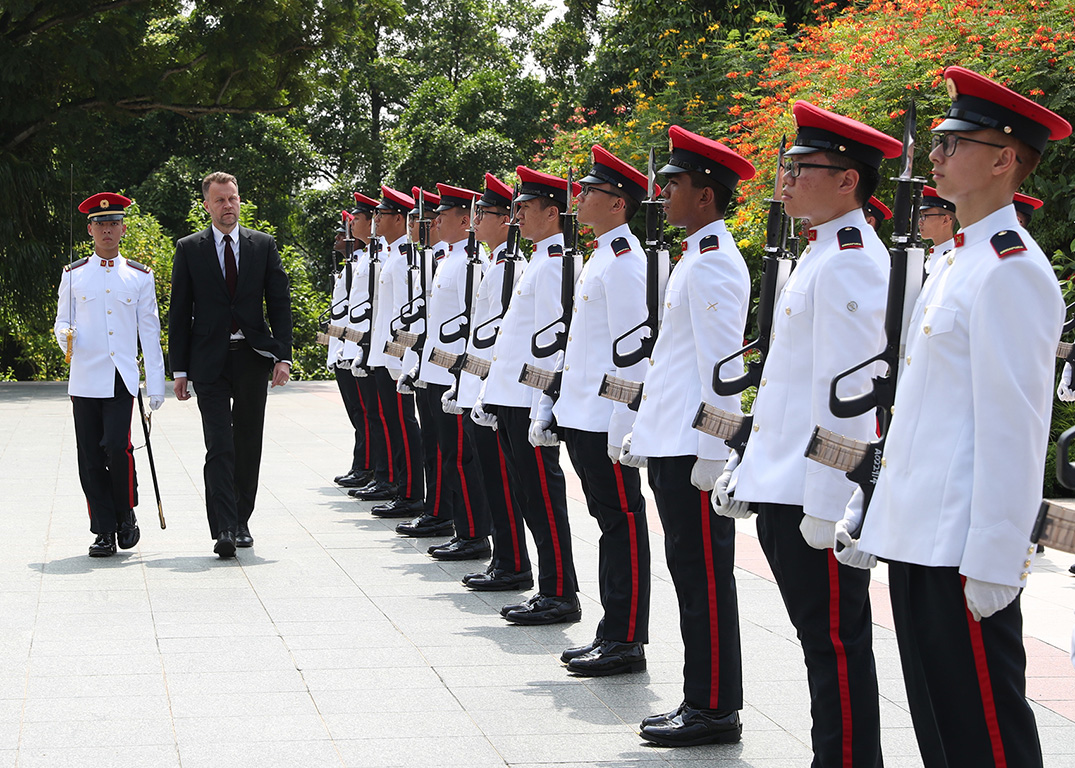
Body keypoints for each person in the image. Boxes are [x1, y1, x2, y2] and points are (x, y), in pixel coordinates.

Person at [839, 66, 1070, 767]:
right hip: (917, 534)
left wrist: (998, 556)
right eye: (937, 142)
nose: (933, 156)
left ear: (1002, 160)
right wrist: (873, 512)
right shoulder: (953, 262)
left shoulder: (1009, 270)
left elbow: (1014, 425)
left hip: (962, 549)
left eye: (951, 143)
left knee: (983, 736)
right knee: (940, 726)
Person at [715, 101, 901, 767]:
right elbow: (789, 387)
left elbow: (847, 402)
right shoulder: (818, 254)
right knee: (818, 641)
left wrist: (828, 502)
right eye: (786, 166)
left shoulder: (850, 261)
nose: (785, 179)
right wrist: (751, 464)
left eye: (803, 168)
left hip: (810, 491)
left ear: (847, 180)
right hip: (784, 480)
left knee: (833, 642)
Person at [621, 126, 754, 745]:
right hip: (670, 440)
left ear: (707, 195)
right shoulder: (695, 257)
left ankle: (713, 706)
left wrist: (711, 451)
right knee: (690, 574)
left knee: (703, 578)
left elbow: (720, 370)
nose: (662, 191)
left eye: (674, 183)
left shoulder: (714, 265)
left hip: (690, 448)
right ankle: (701, 697)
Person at [531, 145, 651, 676]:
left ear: (619, 203)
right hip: (583, 413)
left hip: (606, 419)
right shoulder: (602, 254)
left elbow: (633, 351)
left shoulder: (625, 262)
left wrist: (623, 426)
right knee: (607, 524)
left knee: (622, 525)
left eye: (590, 191)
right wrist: (556, 404)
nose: (578, 197)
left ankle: (626, 638)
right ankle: (611, 630)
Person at [169, 172, 293, 558]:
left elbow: (279, 302)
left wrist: (283, 355)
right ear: (206, 205)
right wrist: (179, 369)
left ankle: (241, 520)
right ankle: (223, 526)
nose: (228, 206)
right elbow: (179, 311)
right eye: (220, 200)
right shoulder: (190, 248)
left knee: (247, 441)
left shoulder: (262, 245)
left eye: (233, 199)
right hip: (208, 361)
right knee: (218, 444)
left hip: (253, 358)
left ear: (240, 201)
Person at [477, 166, 581, 620]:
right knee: (527, 498)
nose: (515, 213)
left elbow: (552, 344)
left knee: (542, 498)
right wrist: (489, 391)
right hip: (512, 396)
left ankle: (561, 592)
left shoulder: (559, 262)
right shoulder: (539, 258)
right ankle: (546, 585)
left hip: (528, 401)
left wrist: (543, 407)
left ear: (552, 212)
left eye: (524, 206)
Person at [55, 193, 166, 557]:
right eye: (100, 224)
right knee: (89, 455)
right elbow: (62, 322)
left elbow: (149, 331)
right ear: (90, 229)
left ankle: (126, 511)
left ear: (122, 228)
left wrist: (156, 383)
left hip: (121, 376)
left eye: (113, 223)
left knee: (117, 448)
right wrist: (64, 337)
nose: (107, 229)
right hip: (85, 375)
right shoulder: (73, 275)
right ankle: (103, 529)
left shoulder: (138, 276)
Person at [447, 173, 531, 588]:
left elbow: (502, 340)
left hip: (496, 391)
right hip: (481, 386)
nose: (475, 222)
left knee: (501, 481)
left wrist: (482, 390)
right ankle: (506, 559)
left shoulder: (510, 268)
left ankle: (513, 562)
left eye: (485, 214)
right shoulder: (497, 265)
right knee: (491, 478)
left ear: (506, 221)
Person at [401, 182, 493, 561]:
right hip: (436, 371)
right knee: (443, 452)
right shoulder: (448, 260)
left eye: (444, 215)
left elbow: (473, 326)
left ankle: (472, 532)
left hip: (456, 374)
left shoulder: (474, 263)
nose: (436, 221)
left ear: (464, 219)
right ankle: (457, 523)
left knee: (463, 458)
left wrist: (463, 379)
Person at [350, 186, 425, 517]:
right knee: (390, 423)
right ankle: (396, 484)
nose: (375, 219)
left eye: (382, 214)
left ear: (399, 218)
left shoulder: (407, 258)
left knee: (403, 426)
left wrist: (401, 358)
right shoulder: (392, 256)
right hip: (383, 354)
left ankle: (408, 491)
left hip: (396, 357)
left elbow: (408, 315)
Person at [331, 195, 377, 489]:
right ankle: (364, 464)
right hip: (346, 347)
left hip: (360, 348)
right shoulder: (355, 263)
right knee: (360, 414)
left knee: (368, 414)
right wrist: (334, 348)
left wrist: (350, 349)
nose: (338, 238)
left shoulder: (368, 261)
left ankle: (368, 467)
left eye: (345, 231)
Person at [919, 185, 957, 276]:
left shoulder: (954, 257)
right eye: (920, 216)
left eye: (925, 216)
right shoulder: (932, 255)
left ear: (945, 220)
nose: (920, 222)